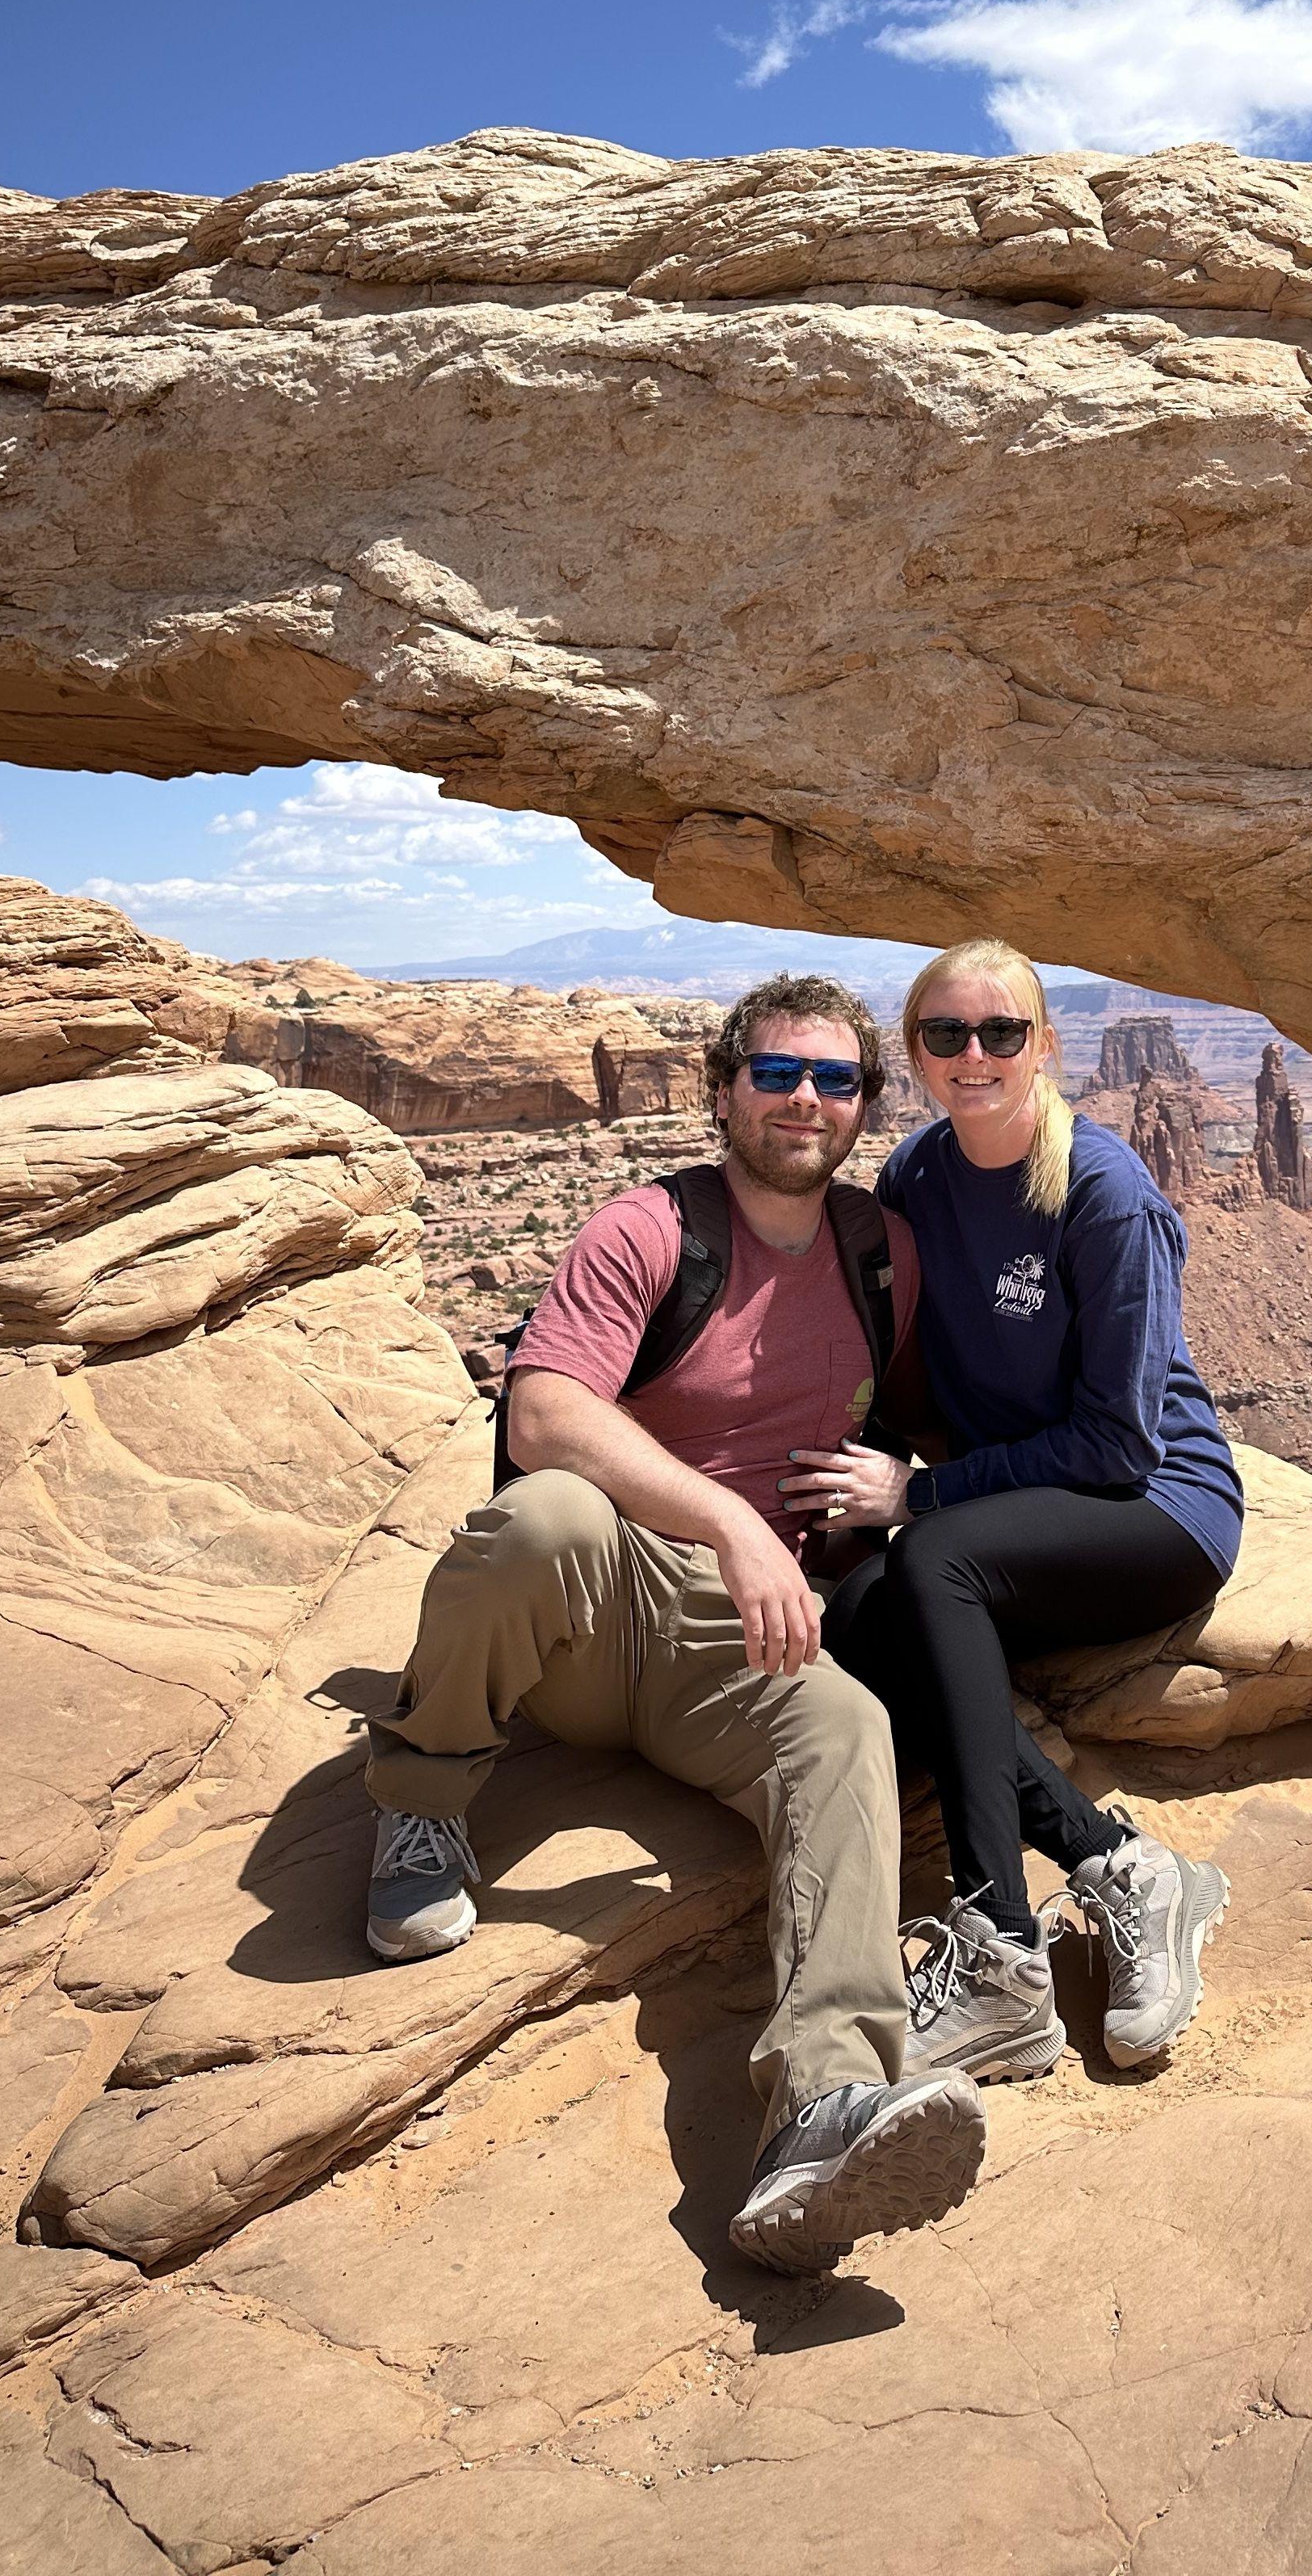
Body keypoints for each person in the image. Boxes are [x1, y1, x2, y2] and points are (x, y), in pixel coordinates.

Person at [359, 973, 986, 2275]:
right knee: (547, 1519)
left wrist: (913, 1494)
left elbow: (916, 1419)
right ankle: (420, 1799)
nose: (805, 1100)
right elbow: (540, 1418)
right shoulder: (648, 1229)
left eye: (835, 1080)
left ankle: (823, 2113)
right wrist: (734, 1524)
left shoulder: (885, 1253)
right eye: (775, 1075)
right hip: (603, 1608)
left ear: (865, 1105)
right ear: (722, 1091)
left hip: (743, 1649)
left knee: (848, 1732)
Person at [784, 940, 1240, 2088]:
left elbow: (1122, 1441)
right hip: (1010, 1520)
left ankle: (1000, 1954)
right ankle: (1124, 1866)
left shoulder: (1102, 1193)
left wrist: (920, 1494)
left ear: (1045, 1046)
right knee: (865, 1623)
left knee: (927, 1559)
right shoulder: (920, 1181)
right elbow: (894, 1371)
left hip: (1155, 1512)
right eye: (946, 1036)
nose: (973, 1056)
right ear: (919, 1056)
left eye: (1000, 1034)